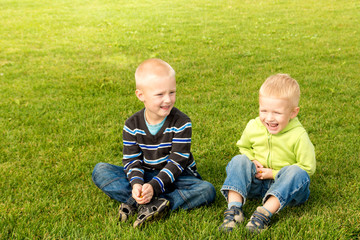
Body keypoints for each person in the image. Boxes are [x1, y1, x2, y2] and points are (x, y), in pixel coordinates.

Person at [92, 58, 216, 228]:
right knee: (100, 171)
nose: (168, 100)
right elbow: (131, 160)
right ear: (140, 95)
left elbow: (177, 162)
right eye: (160, 94)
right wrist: (137, 184)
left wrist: (154, 186)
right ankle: (143, 200)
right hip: (145, 175)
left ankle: (150, 203)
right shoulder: (132, 125)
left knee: (206, 190)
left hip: (178, 177)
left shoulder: (181, 122)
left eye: (172, 92)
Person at [219, 74, 316, 234]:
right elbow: (243, 147)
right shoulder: (253, 126)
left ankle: (263, 214)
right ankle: (234, 211)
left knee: (298, 173)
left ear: (293, 112)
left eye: (277, 113)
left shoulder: (298, 135)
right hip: (256, 184)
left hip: (286, 190)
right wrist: (252, 159)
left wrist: (274, 174)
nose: (269, 118)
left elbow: (308, 167)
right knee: (239, 160)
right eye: (263, 110)